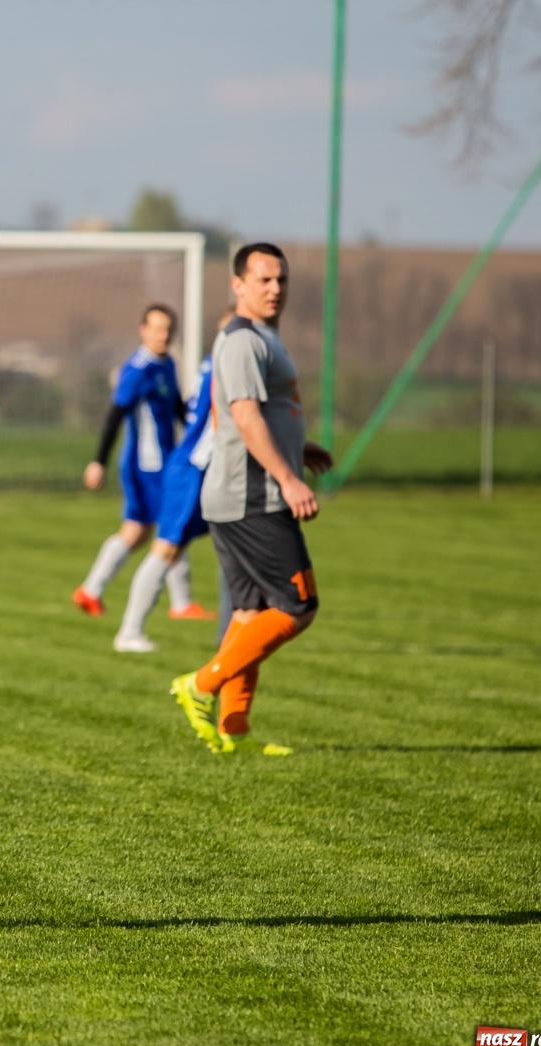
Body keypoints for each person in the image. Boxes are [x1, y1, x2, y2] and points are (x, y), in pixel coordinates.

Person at [169, 243, 334, 756]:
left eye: (281, 279)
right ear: (238, 285)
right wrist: (288, 478)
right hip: (253, 497)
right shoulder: (240, 341)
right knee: (298, 604)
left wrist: (296, 446)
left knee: (248, 611)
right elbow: (241, 415)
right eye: (263, 280)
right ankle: (200, 684)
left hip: (238, 495)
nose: (275, 288)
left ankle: (233, 728)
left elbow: (255, 414)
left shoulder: (262, 337)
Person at [73, 305, 213, 622]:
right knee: (167, 526)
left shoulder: (166, 364)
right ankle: (180, 603)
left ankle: (91, 591)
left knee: (141, 532)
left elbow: (178, 409)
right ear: (143, 330)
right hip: (145, 465)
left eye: (168, 329)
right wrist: (98, 462)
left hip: (166, 462)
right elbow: (115, 415)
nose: (163, 335)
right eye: (157, 328)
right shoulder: (137, 370)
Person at [111, 312, 233, 653]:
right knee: (165, 546)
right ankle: (129, 631)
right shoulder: (223, 365)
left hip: (204, 467)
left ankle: (228, 634)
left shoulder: (205, 363)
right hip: (193, 468)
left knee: (231, 543)